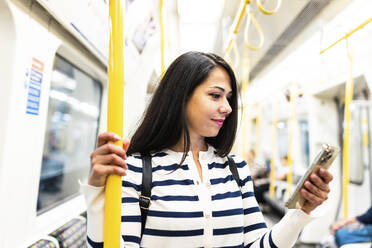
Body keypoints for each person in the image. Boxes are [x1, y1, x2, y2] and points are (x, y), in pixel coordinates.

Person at [83, 51, 333, 247]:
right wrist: (97, 192)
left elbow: (257, 244)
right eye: (215, 95)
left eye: (229, 98)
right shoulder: (135, 169)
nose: (228, 107)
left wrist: (302, 211)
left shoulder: (235, 169)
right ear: (180, 97)